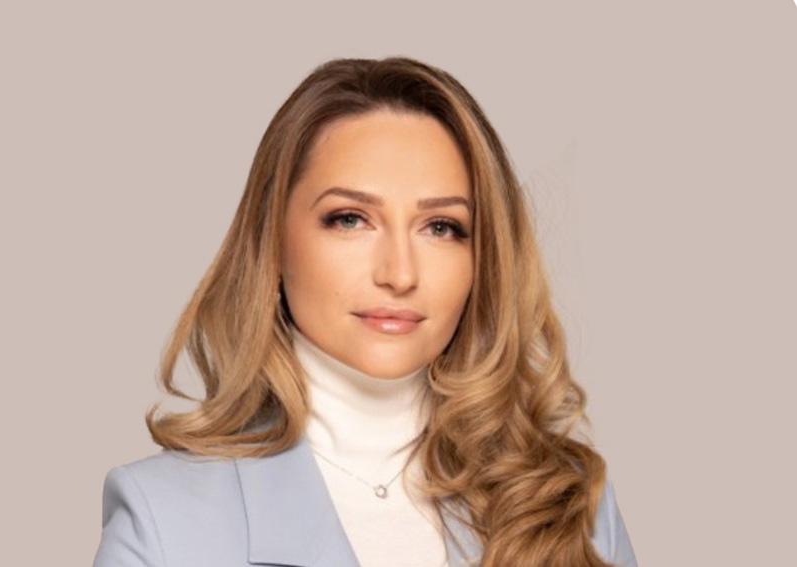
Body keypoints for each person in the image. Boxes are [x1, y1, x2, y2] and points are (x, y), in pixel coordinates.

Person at [92, 56, 638, 567]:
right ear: (273, 242)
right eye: (350, 219)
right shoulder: (164, 520)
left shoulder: (569, 504)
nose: (399, 274)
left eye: (441, 227)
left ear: (483, 259)